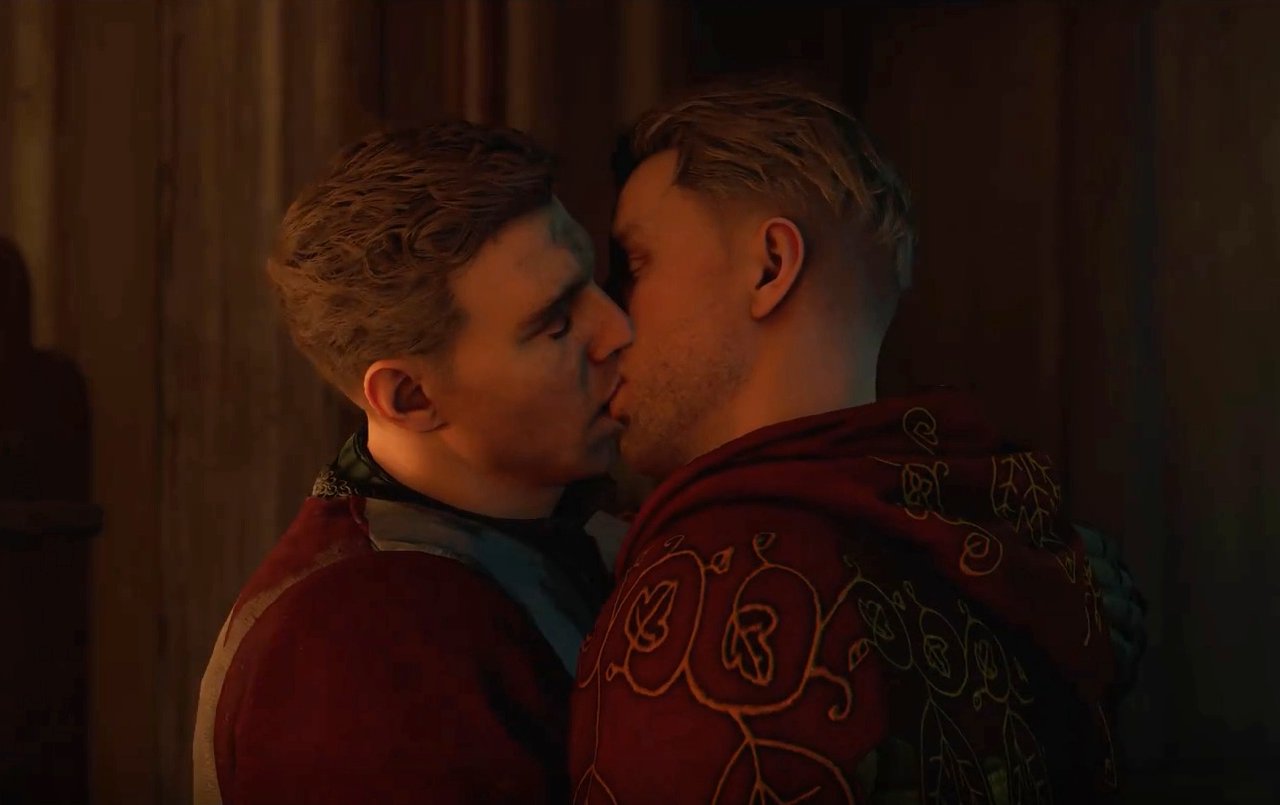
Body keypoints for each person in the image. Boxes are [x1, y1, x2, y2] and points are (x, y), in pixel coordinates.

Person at [569, 78, 1129, 803]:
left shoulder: (713, 582)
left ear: (771, 267)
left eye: (636, 266)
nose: (607, 324)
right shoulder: (1016, 544)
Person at [192, 122, 633, 804]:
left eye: (596, 282)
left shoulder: (568, 531)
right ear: (410, 396)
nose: (618, 331)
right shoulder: (356, 646)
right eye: (555, 323)